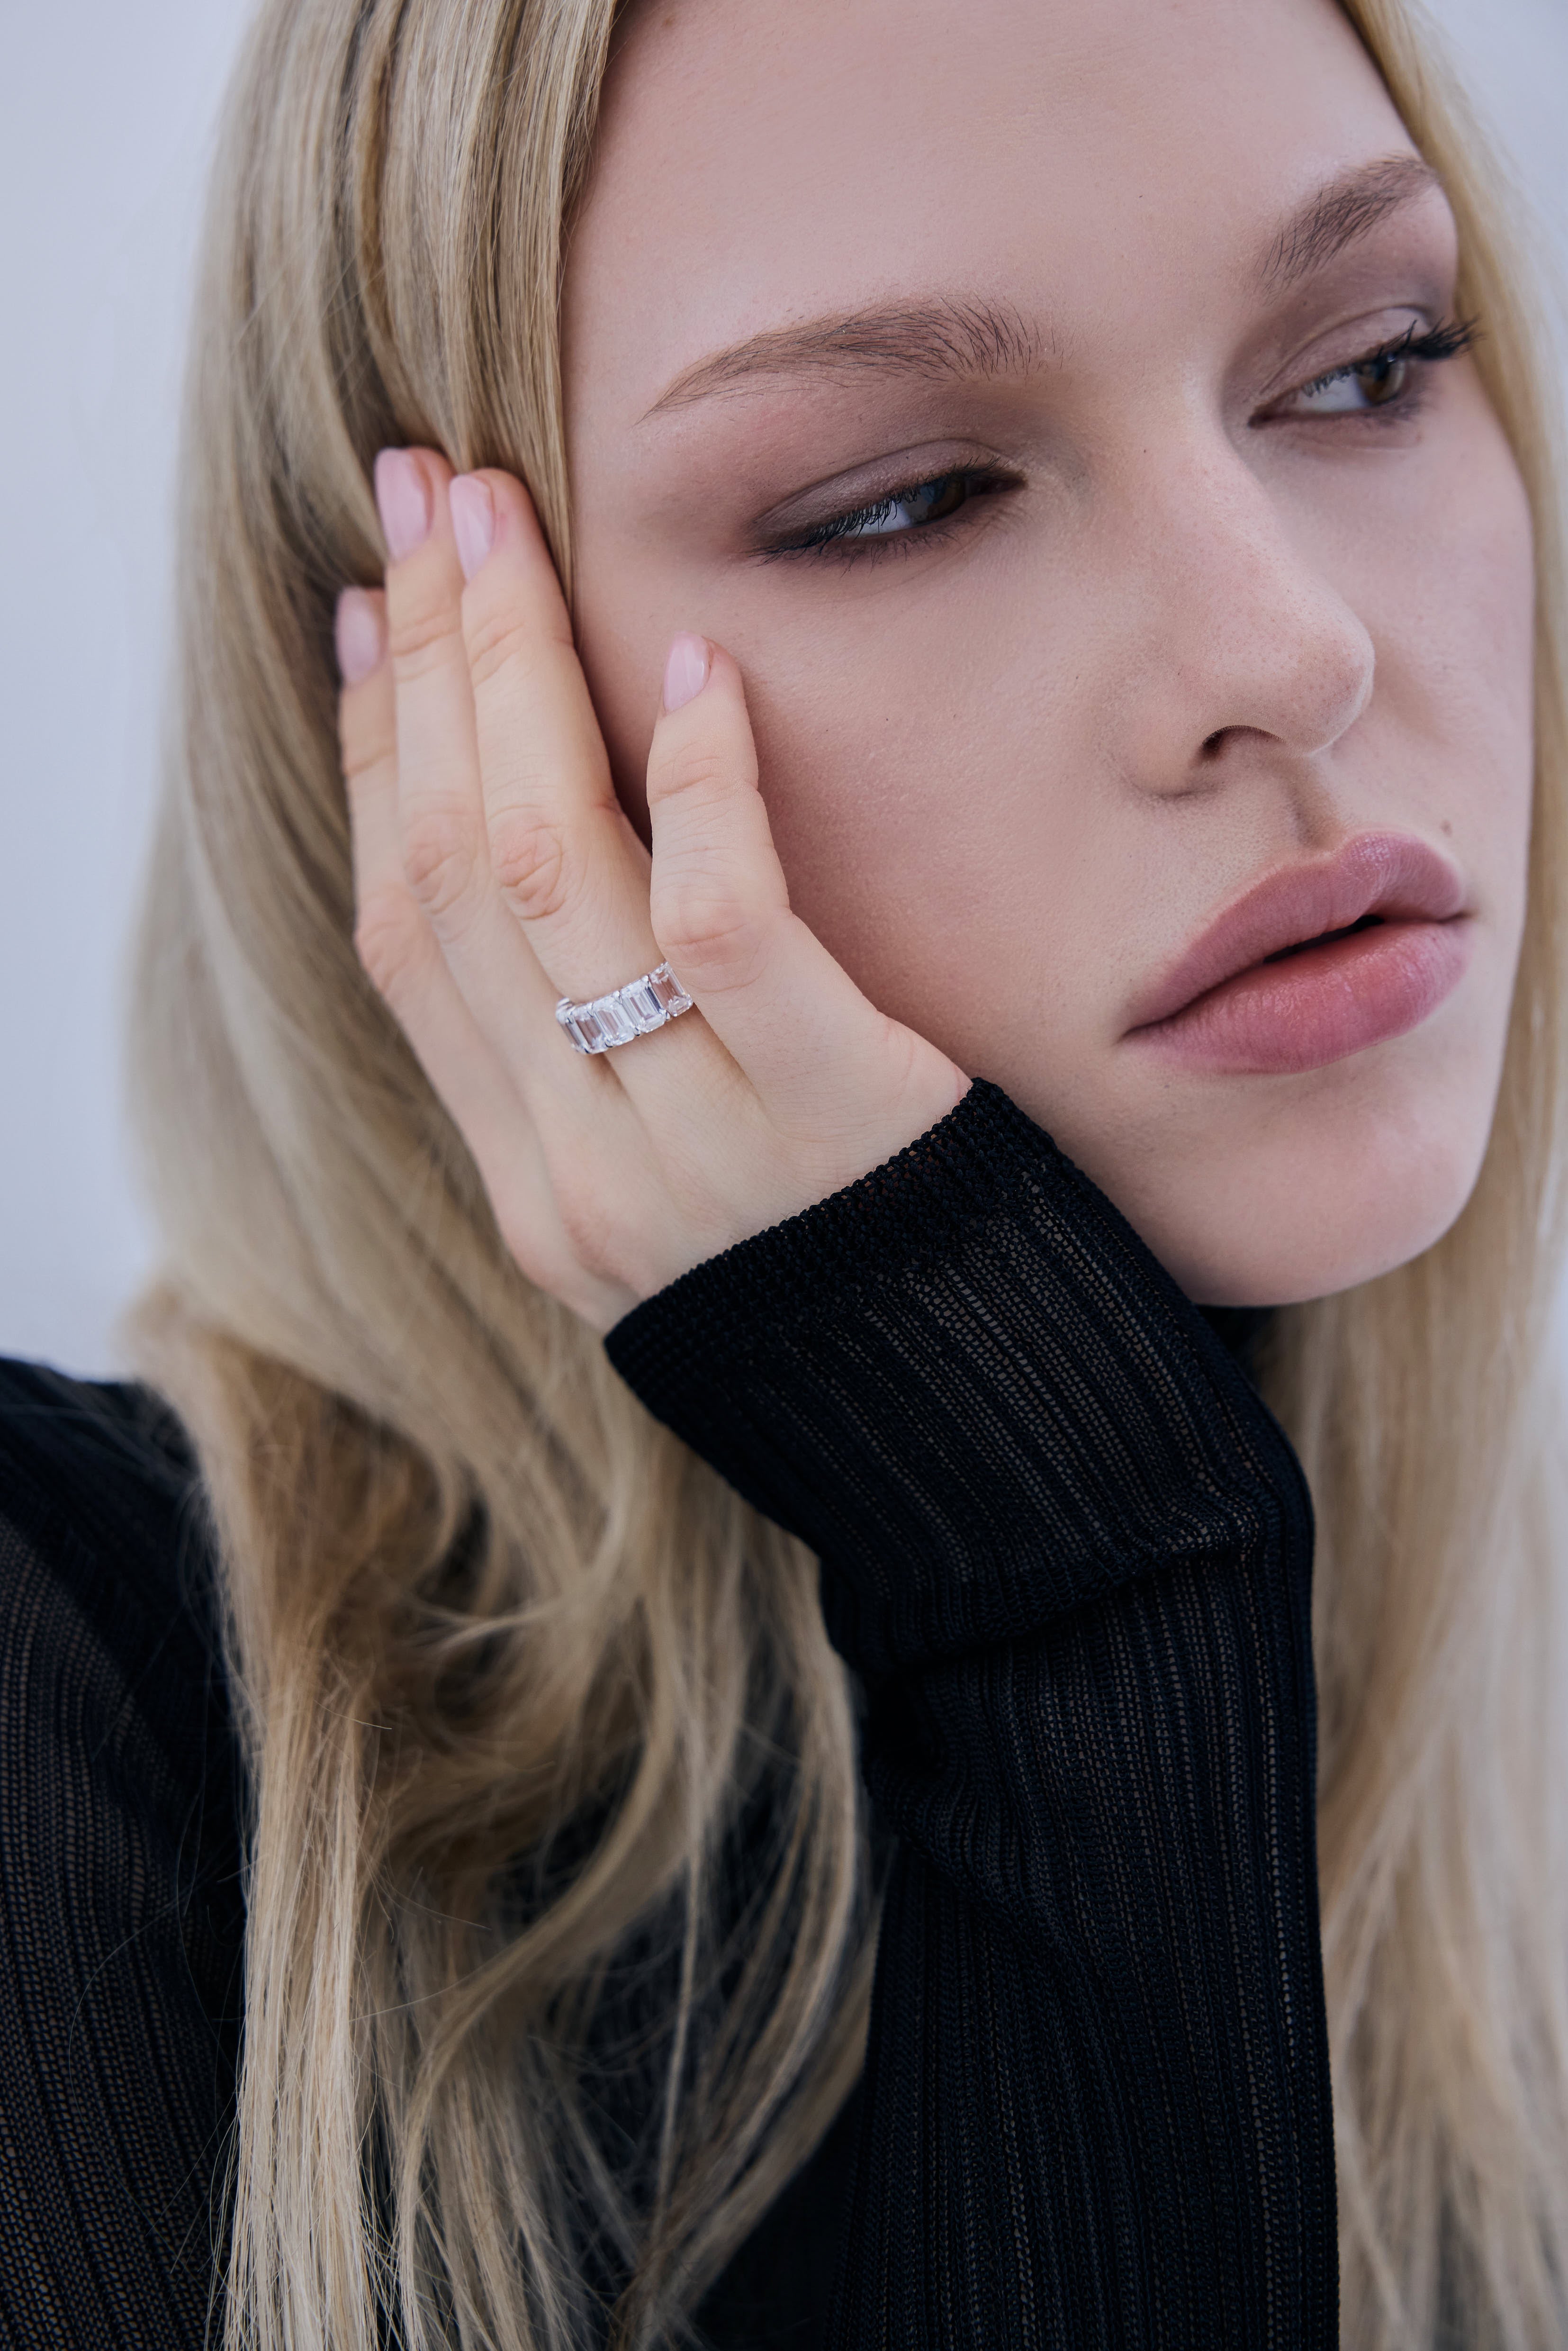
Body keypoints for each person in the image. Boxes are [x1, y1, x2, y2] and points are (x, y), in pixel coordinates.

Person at [2, 0, 1566, 2341]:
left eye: (1368, 366)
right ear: (455, 728)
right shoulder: (63, 1716)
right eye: (902, 501)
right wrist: (1063, 1564)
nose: (1295, 646)